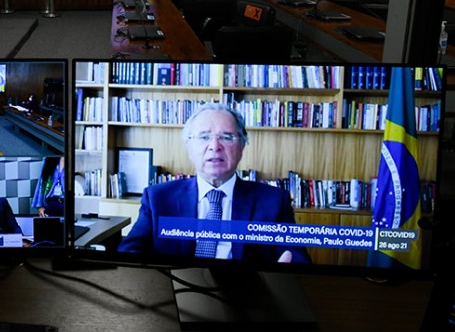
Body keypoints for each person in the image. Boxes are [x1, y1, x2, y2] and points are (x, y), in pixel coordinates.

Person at [117, 102, 311, 263]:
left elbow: (297, 257)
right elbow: (129, 252)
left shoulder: (274, 201)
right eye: (204, 137)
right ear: (189, 148)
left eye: (227, 137)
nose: (215, 146)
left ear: (242, 147)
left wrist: (285, 270)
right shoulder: (158, 198)